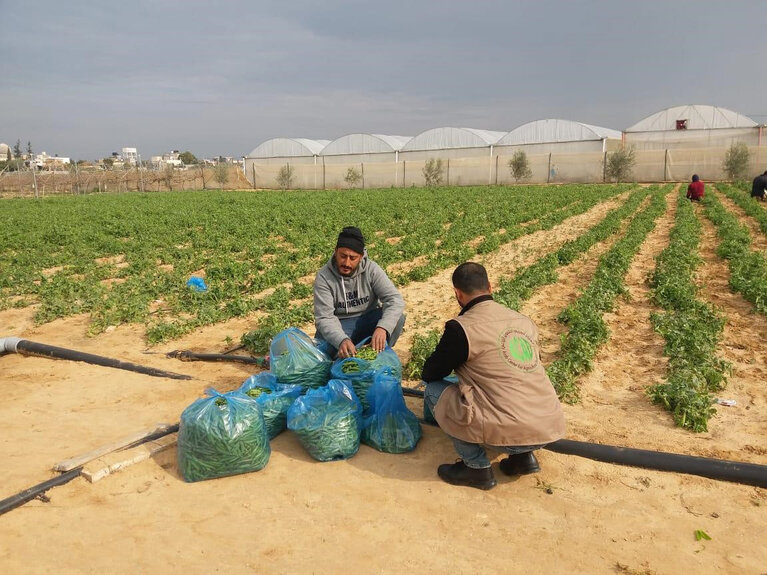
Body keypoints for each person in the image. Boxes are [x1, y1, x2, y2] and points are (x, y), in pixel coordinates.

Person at [421, 262, 565, 490]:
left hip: (509, 431)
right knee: (513, 384)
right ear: (490, 286)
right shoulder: (523, 321)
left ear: (457, 294)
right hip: (548, 425)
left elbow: (431, 373)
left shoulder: (462, 328)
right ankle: (523, 459)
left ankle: (476, 468)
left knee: (434, 391)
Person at [313, 226, 406, 358]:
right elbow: (324, 317)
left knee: (397, 319)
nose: (346, 263)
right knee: (321, 355)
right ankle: (343, 354)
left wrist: (382, 328)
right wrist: (341, 340)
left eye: (353, 258)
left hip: (367, 320)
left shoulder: (371, 270)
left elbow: (394, 300)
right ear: (335, 252)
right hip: (339, 324)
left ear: (361, 257)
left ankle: (376, 356)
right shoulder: (324, 277)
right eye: (343, 256)